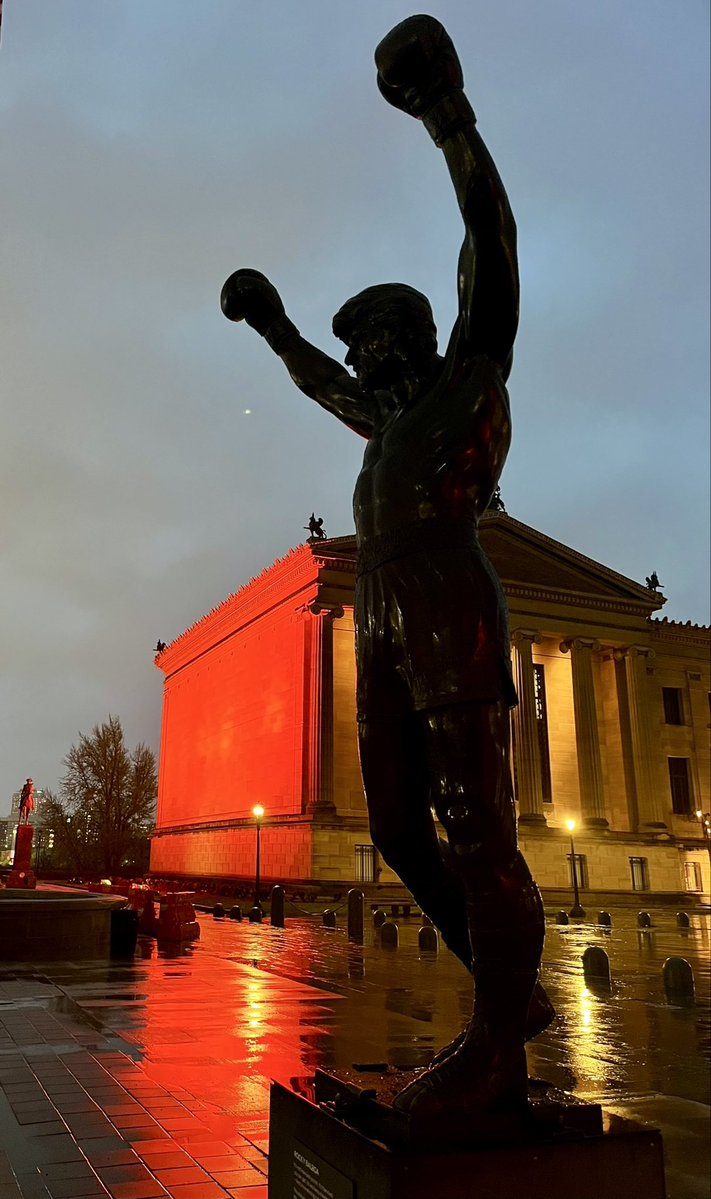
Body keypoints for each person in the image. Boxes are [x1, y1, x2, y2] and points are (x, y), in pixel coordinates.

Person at [221, 15, 551, 1127]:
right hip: (384, 626)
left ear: (421, 340)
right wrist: (273, 329)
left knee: (478, 826)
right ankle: (517, 992)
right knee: (404, 829)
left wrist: (446, 116)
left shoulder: (466, 384)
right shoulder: (383, 417)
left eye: (378, 346)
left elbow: (493, 240)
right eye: (358, 354)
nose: (365, 367)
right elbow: (319, 381)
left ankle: (498, 1046)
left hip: (450, 605)